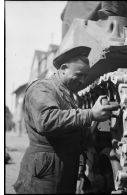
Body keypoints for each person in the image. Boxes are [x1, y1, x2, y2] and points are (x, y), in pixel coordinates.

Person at [13, 46, 119, 194]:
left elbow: (72, 129)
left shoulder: (68, 95)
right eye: (79, 74)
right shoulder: (42, 88)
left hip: (63, 169)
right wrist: (90, 114)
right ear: (63, 68)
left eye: (85, 76)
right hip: (45, 173)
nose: (83, 81)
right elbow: (46, 120)